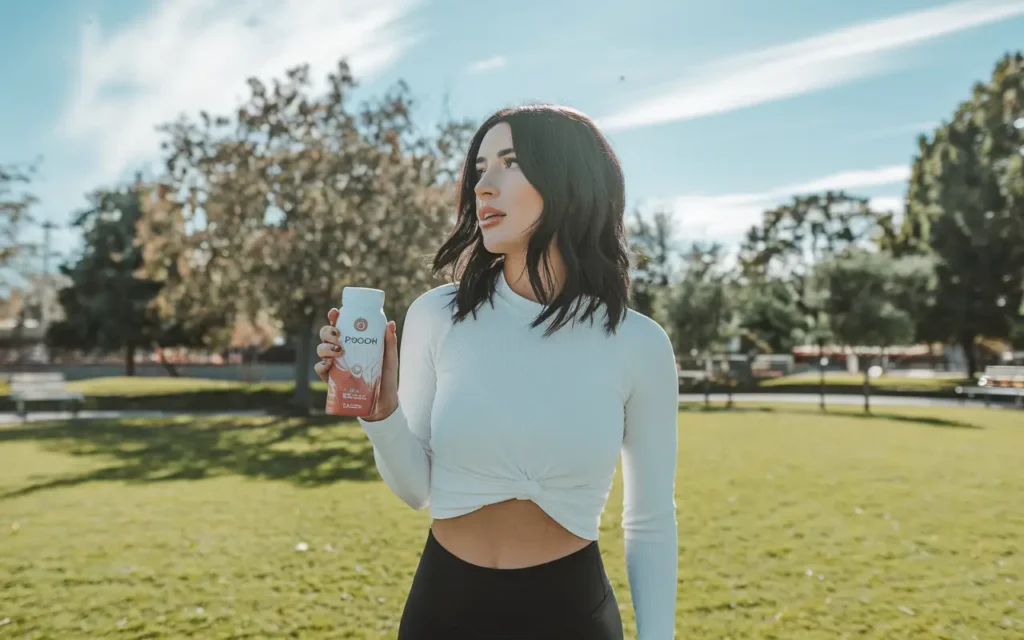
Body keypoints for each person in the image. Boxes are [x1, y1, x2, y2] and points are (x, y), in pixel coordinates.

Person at [314, 104, 679, 639]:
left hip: (571, 616)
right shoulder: (437, 315)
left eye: (509, 162)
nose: (483, 185)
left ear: (571, 180)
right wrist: (381, 413)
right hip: (443, 610)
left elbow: (649, 521)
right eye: (480, 168)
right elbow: (417, 491)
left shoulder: (638, 343)